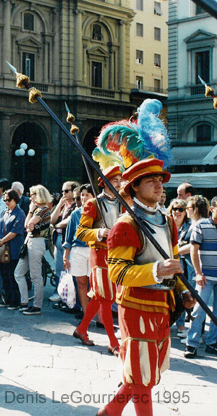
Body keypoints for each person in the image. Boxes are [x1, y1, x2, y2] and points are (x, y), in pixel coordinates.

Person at [98, 159, 195, 416]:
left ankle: (109, 412)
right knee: (141, 372)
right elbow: (117, 272)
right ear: (135, 187)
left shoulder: (166, 220)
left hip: (163, 305)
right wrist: (155, 270)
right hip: (135, 307)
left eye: (160, 180)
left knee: (146, 371)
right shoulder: (125, 225)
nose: (159, 185)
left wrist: (183, 290)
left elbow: (173, 260)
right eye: (151, 181)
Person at [74, 166, 122, 355]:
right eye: (115, 180)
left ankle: (81, 329)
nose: (119, 183)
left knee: (100, 297)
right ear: (104, 182)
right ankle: (112, 341)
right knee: (106, 298)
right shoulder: (93, 203)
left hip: (118, 255)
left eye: (120, 179)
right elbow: (81, 232)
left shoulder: (122, 202)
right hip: (100, 255)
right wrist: (100, 232)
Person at [184, 196, 217, 359]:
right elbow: (193, 250)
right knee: (199, 310)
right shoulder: (201, 225)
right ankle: (192, 344)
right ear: (212, 209)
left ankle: (212, 343)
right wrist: (198, 273)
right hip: (205, 277)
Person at [14, 185, 52, 315]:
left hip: (36, 242)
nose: (31, 197)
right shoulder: (39, 210)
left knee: (35, 275)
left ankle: (37, 305)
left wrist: (30, 211)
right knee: (18, 272)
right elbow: (28, 226)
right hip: (31, 241)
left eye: (33, 195)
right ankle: (24, 302)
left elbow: (28, 224)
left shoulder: (43, 210)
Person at [63, 184, 94, 319]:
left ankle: (98, 315)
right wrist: (65, 256)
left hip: (93, 250)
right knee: (81, 283)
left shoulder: (98, 212)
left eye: (87, 195)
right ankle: (86, 314)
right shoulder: (76, 213)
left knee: (95, 284)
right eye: (82, 195)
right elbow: (69, 236)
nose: (84, 197)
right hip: (78, 250)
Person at [0, 189, 26, 310]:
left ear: (15, 199)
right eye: (5, 200)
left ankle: (15, 300)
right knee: (4, 274)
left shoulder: (20, 213)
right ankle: (6, 299)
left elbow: (15, 231)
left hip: (13, 248)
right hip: (2, 248)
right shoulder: (4, 212)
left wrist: (1, 241)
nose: (6, 202)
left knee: (13, 274)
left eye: (8, 200)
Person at [49, 181, 79, 302]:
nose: (64, 193)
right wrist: (59, 204)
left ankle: (68, 295)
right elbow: (52, 220)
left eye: (66, 191)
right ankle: (59, 291)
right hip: (58, 240)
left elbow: (68, 221)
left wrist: (57, 225)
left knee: (69, 269)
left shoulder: (75, 205)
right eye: (62, 191)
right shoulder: (63, 205)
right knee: (58, 268)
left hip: (68, 241)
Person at [168, 198, 194, 338]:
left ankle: (181, 325)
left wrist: (175, 250)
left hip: (186, 265)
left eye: (181, 209)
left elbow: (193, 245)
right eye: (175, 209)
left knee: (184, 292)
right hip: (168, 264)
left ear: (185, 212)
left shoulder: (190, 226)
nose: (177, 212)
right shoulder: (166, 224)